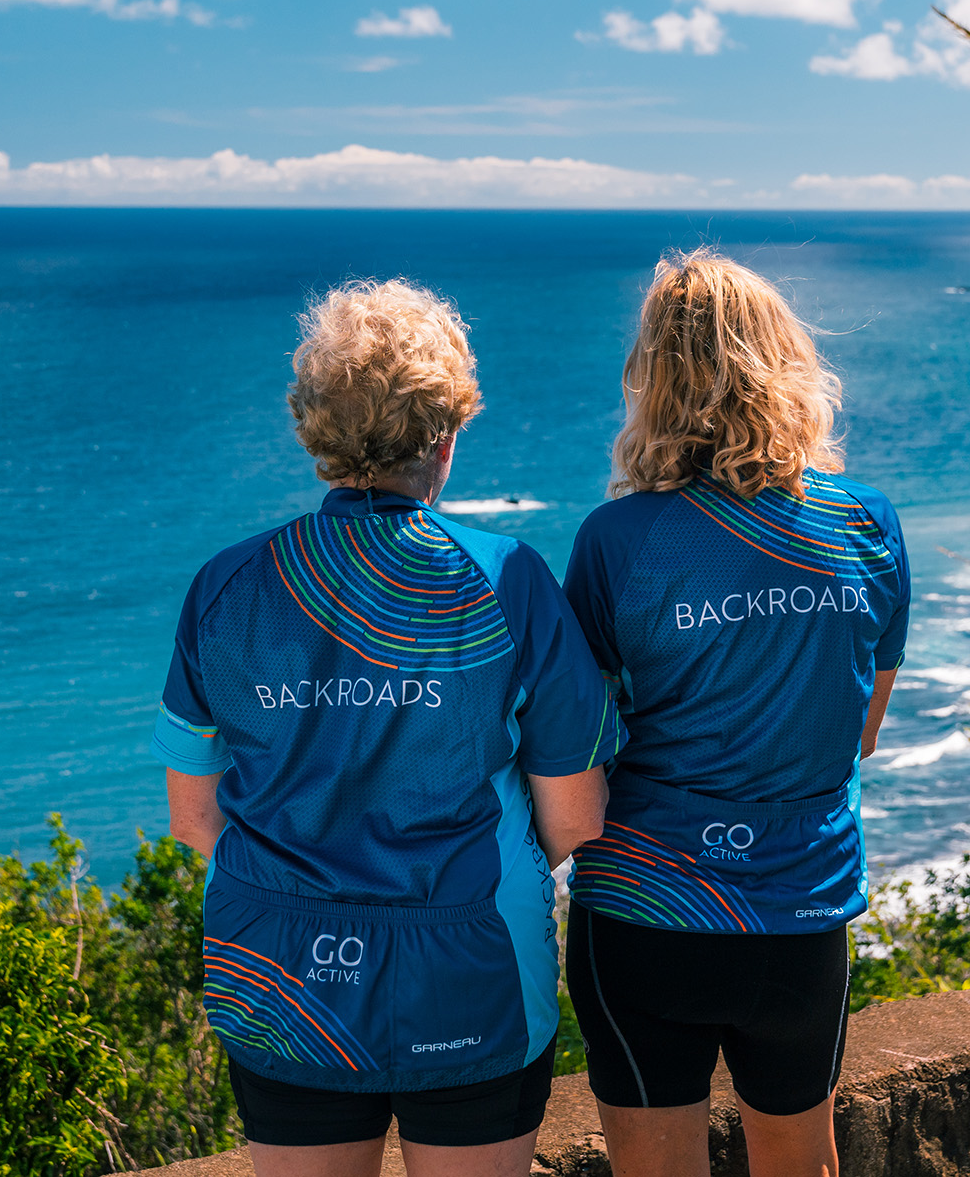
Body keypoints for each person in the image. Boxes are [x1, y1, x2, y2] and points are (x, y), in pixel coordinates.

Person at [151, 278, 624, 1177]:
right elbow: (577, 818)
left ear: (315, 430)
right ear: (447, 436)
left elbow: (193, 817)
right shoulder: (506, 580)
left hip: (279, 966)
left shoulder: (226, 584)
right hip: (468, 963)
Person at [561, 250, 910, 1177]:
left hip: (645, 909)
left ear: (655, 381)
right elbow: (859, 734)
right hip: (798, 906)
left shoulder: (615, 542)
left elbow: (579, 749)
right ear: (785, 364)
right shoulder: (865, 526)